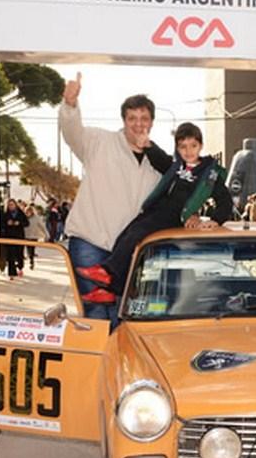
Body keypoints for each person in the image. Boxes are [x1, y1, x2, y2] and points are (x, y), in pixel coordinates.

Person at [77, 122, 232, 304]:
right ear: (177, 148)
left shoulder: (209, 174)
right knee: (126, 236)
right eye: (183, 146)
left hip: (174, 216)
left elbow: (226, 201)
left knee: (135, 235)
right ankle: (111, 290)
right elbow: (160, 160)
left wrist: (214, 220)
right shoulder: (176, 166)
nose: (188, 151)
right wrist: (147, 144)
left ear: (201, 146)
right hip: (157, 209)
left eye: (193, 146)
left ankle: (107, 271)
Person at [59, 73, 169, 321]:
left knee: (126, 313)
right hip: (91, 241)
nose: (138, 124)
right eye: (132, 118)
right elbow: (72, 132)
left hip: (131, 250)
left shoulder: (159, 161)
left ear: (152, 122)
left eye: (144, 118)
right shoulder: (99, 141)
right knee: (96, 312)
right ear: (124, 121)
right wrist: (69, 105)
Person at [0, 199, 28, 280]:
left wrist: (19, 223)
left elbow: (26, 223)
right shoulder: (5, 214)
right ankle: (11, 274)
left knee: (19, 255)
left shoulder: (20, 213)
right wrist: (7, 223)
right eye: (9, 205)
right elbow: (1, 224)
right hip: (9, 237)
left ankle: (20, 267)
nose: (11, 206)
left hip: (19, 237)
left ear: (15, 205)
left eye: (12, 204)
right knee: (10, 256)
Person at [24, 204, 47, 270]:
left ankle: (31, 261)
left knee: (32, 249)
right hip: (26, 236)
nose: (28, 213)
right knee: (28, 249)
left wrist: (46, 234)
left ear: (32, 212)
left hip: (34, 236)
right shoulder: (24, 218)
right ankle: (30, 259)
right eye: (27, 212)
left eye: (29, 212)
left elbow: (42, 226)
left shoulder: (36, 218)